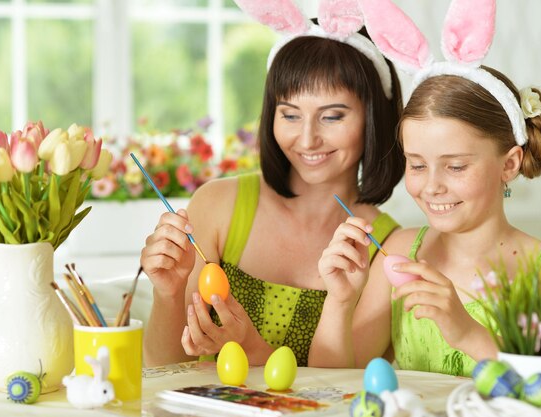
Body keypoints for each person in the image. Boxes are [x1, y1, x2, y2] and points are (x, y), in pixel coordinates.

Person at [140, 2, 405, 367]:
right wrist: (167, 294)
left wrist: (250, 345)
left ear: (374, 116)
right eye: (290, 114)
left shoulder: (387, 249)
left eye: (331, 116)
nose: (308, 139)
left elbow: (339, 391)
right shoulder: (219, 205)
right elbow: (162, 371)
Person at [309, 0, 541, 375]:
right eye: (416, 164)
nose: (431, 186)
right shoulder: (400, 252)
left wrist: (468, 334)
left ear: (508, 164)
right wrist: (341, 301)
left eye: (456, 166)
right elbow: (329, 385)